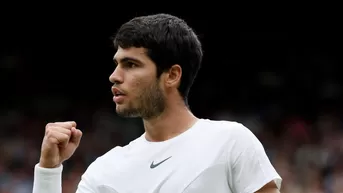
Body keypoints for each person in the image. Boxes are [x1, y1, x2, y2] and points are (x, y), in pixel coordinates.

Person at [32, 13, 282, 193]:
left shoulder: (230, 141)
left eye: (131, 64)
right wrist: (48, 170)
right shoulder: (104, 171)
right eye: (117, 64)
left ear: (172, 75)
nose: (114, 76)